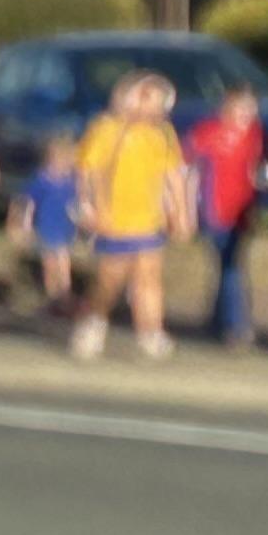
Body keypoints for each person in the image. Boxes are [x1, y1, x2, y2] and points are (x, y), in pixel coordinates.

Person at [71, 71, 189, 363]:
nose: (156, 108)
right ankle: (93, 323)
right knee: (111, 278)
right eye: (148, 98)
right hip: (114, 218)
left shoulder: (163, 133)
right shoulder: (107, 129)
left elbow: (173, 175)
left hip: (148, 218)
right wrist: (90, 207)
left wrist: (181, 211)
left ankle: (150, 332)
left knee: (149, 275)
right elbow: (88, 171)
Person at [186, 80, 268, 349]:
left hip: (242, 213)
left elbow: (263, 171)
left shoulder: (257, 136)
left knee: (229, 265)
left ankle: (220, 320)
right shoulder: (208, 132)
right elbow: (187, 168)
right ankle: (235, 326)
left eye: (251, 108)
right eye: (241, 107)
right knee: (230, 267)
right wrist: (187, 208)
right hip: (216, 211)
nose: (246, 113)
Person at [11, 127, 82, 320]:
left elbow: (78, 204)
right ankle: (53, 298)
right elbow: (26, 203)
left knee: (63, 261)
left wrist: (82, 222)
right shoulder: (41, 180)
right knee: (50, 262)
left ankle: (65, 296)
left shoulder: (73, 181)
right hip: (46, 226)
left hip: (64, 227)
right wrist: (21, 225)